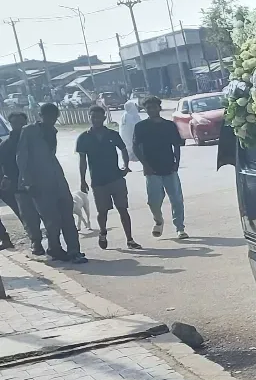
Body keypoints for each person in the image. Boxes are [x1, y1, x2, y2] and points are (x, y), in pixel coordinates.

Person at [16, 103, 85, 263]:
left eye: (54, 117)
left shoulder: (53, 130)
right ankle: (54, 249)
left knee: (67, 216)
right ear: (40, 115)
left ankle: (74, 250)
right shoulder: (29, 131)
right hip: (39, 183)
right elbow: (21, 157)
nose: (51, 120)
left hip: (57, 179)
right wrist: (27, 181)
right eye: (47, 116)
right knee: (52, 220)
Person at [76, 106, 141, 251]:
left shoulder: (112, 134)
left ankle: (130, 239)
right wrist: (82, 180)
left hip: (116, 177)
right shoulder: (84, 138)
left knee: (123, 209)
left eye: (99, 117)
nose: (96, 120)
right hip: (98, 180)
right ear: (89, 117)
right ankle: (103, 232)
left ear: (104, 118)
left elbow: (123, 149)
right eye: (93, 117)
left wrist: (125, 166)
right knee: (102, 211)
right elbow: (82, 161)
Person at [131, 96, 186, 240]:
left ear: (159, 108)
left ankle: (180, 228)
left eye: (154, 107)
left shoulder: (169, 125)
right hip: (151, 169)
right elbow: (135, 147)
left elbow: (176, 144)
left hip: (169, 167)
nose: (151, 110)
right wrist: (145, 165)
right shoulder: (141, 127)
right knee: (154, 201)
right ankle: (158, 220)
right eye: (148, 108)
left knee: (177, 199)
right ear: (145, 110)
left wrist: (177, 162)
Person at [1, 111, 43, 255]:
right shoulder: (5, 145)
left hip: (39, 183)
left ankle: (54, 244)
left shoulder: (36, 142)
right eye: (15, 123)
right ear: (10, 125)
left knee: (48, 215)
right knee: (27, 215)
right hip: (18, 186)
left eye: (21, 123)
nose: (18, 126)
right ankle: (36, 242)